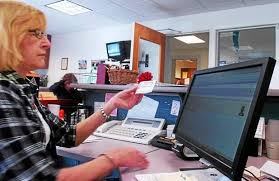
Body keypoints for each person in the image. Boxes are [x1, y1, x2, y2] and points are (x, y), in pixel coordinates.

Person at [0, 1, 149, 181]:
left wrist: (112, 104)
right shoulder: (4, 92)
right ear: (8, 38)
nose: (47, 43)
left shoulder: (23, 88)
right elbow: (41, 178)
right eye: (36, 33)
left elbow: (69, 135)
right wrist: (113, 159)